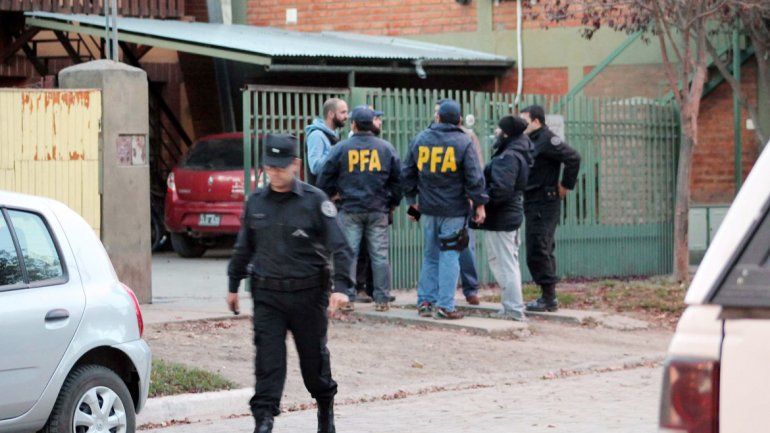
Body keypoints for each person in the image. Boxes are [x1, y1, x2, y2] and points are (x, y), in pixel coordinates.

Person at [226, 133, 354, 433]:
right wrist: (233, 284)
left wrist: (342, 288)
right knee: (268, 363)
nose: (274, 172)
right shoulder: (256, 202)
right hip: (268, 295)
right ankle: (264, 421)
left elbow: (341, 247)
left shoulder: (315, 201)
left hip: (308, 296)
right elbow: (244, 247)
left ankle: (325, 407)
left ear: (295, 164)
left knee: (313, 365)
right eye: (270, 167)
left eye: (280, 167)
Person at [402, 99, 488, 320]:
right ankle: (445, 306)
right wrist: (479, 205)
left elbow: (408, 173)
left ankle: (425, 302)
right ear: (459, 120)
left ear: (438, 117)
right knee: (450, 255)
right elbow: (474, 177)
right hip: (454, 210)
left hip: (428, 209)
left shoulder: (420, 139)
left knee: (430, 256)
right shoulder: (463, 141)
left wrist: (412, 203)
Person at [317, 106, 403, 312]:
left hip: (350, 209)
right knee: (380, 256)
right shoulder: (386, 148)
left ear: (353, 124)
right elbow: (398, 180)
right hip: (378, 209)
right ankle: (382, 299)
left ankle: (347, 297)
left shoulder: (341, 148)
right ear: (372, 124)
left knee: (349, 254)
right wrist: (392, 202)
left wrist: (333, 194)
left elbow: (324, 177)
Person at [519, 105, 581, 312]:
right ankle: (547, 295)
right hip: (532, 200)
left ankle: (548, 297)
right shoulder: (530, 139)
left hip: (544, 201)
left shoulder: (547, 139)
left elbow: (573, 158)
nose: (522, 124)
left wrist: (565, 185)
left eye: (525, 120)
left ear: (536, 121)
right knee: (539, 247)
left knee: (539, 247)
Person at [471, 116, 532, 321]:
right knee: (506, 263)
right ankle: (510, 307)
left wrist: (481, 204)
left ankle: (513, 309)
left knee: (504, 264)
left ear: (506, 133)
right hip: (508, 215)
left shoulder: (508, 157)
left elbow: (500, 190)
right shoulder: (517, 152)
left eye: (499, 129)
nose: (496, 132)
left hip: (502, 218)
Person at [433, 100, 483, 305]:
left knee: (464, 246)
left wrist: (474, 200)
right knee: (436, 250)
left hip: (459, 202)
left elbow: (476, 169)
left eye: (438, 112)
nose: (436, 116)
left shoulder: (467, 137)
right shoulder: (428, 137)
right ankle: (440, 293)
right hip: (434, 203)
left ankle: (470, 289)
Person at [305, 98, 348, 185]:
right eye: (343, 112)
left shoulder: (334, 134)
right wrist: (335, 153)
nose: (346, 117)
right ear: (331, 114)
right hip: (320, 191)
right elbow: (315, 167)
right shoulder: (317, 135)